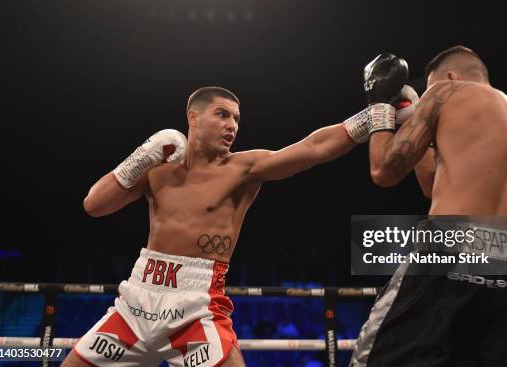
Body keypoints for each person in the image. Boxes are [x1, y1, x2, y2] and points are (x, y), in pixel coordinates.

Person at [61, 84, 403, 367]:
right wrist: (142, 156)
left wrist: (373, 114)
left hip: (196, 303)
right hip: (137, 299)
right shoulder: (157, 168)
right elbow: (94, 205)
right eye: (222, 114)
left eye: (237, 119)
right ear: (192, 117)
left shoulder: (243, 169)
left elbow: (314, 148)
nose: (232, 125)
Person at [350, 46, 507, 366]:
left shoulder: (445, 92)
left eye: (430, 86)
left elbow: (383, 171)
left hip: (451, 245)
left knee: (376, 359)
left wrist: (379, 106)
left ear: (450, 77)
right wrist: (416, 119)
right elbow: (430, 184)